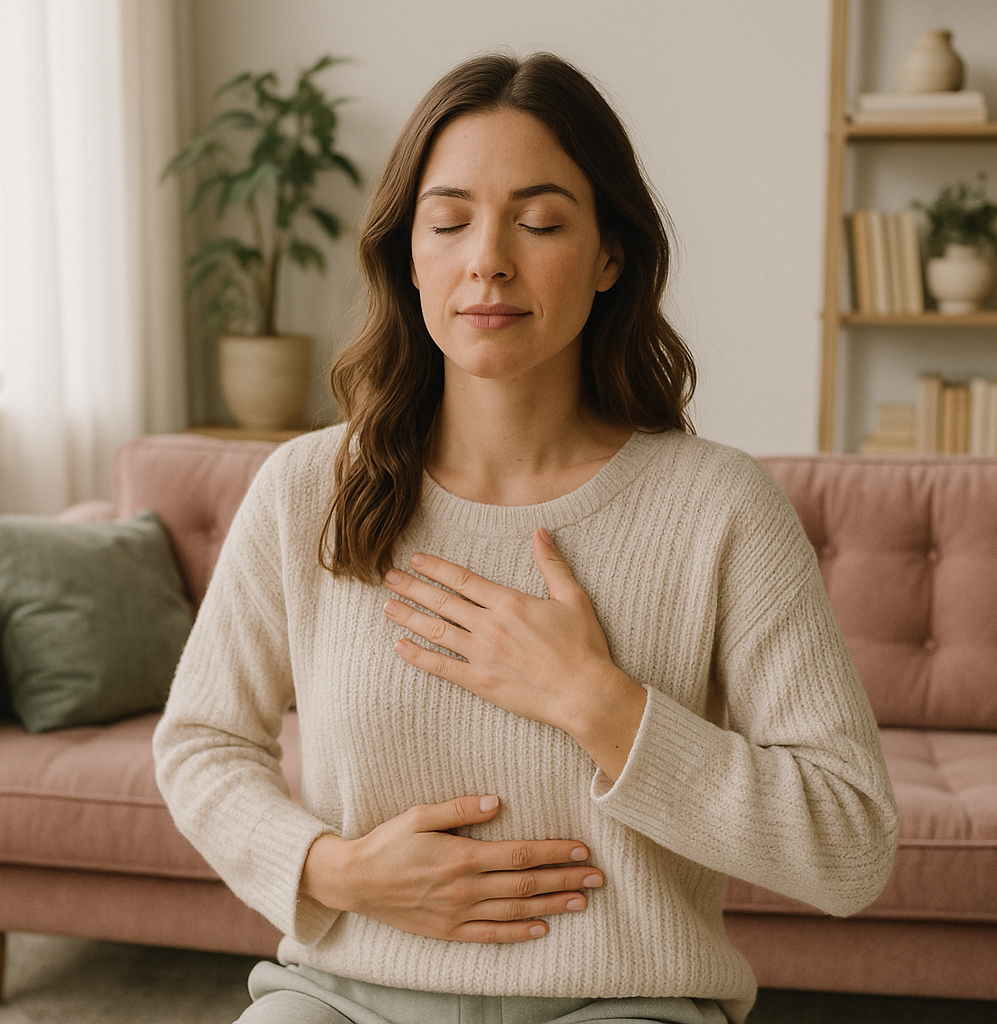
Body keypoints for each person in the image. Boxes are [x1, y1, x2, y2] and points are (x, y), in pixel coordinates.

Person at [153, 52, 898, 1024]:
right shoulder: (308, 488)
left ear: (608, 254)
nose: (487, 258)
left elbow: (850, 845)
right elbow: (201, 743)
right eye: (449, 220)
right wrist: (332, 870)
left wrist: (600, 703)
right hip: (341, 996)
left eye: (540, 221)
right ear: (407, 255)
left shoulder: (719, 506)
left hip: (622, 999)